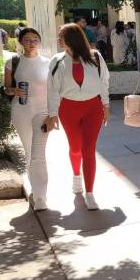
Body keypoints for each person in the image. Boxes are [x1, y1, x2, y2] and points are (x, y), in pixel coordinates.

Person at [46, 23, 110, 210]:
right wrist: (52, 113)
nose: (58, 38)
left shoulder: (95, 56)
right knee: (75, 148)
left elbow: (104, 81)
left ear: (71, 38)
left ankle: (90, 193)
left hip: (93, 108)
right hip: (68, 108)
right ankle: (76, 176)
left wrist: (105, 105)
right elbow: (51, 89)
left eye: (61, 35)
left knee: (88, 149)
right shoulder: (57, 61)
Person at [2, 28, 51, 211]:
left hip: (43, 111)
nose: (32, 43)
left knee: (39, 154)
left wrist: (54, 114)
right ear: (21, 41)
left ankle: (40, 197)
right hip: (21, 110)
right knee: (29, 153)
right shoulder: (12, 63)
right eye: (28, 39)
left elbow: (54, 91)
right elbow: (6, 88)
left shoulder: (48, 63)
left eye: (35, 39)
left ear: (39, 42)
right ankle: (35, 190)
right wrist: (13, 91)